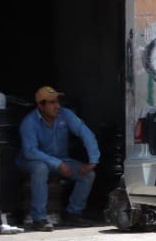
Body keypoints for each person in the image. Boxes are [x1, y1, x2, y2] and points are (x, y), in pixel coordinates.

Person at [17, 85, 101, 231]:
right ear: (40, 106)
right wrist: (58, 164)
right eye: (52, 102)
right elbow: (30, 151)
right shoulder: (29, 122)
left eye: (57, 101)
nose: (57, 106)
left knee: (88, 174)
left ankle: (73, 214)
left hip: (60, 159)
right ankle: (39, 218)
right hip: (33, 160)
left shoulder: (65, 114)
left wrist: (93, 160)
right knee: (40, 168)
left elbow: (86, 133)